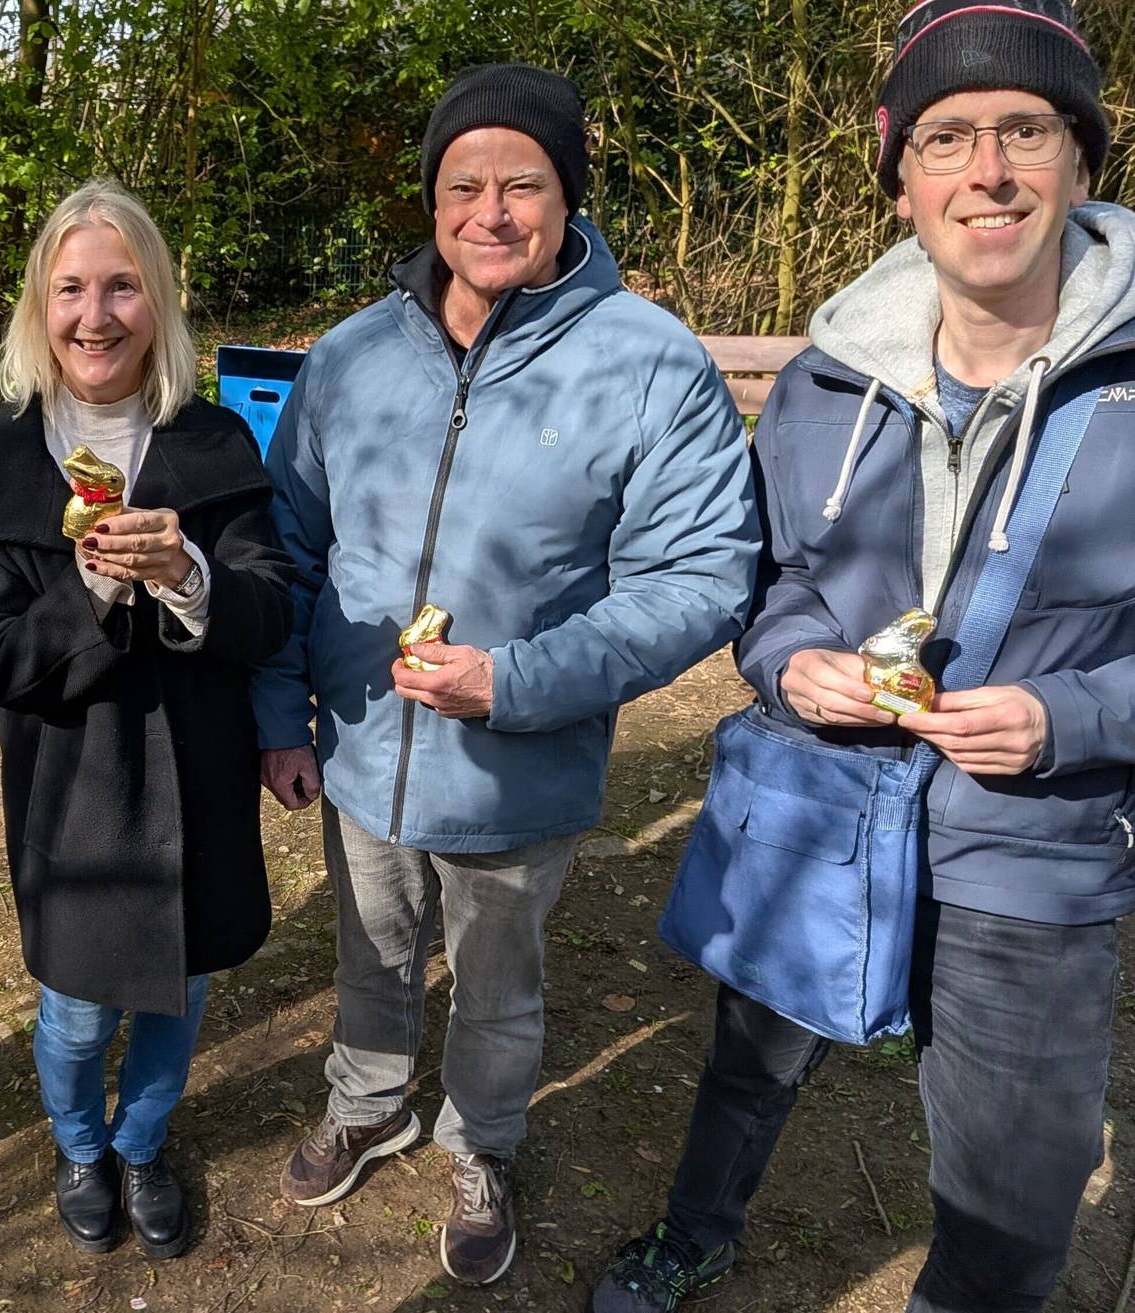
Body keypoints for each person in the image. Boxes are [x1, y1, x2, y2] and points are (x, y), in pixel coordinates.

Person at [592, 5, 1135, 1311]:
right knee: (747, 1063)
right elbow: (767, 583)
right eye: (946, 136)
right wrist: (791, 667)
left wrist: (1065, 719)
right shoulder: (829, 378)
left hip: (1034, 842)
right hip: (823, 809)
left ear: (1081, 163)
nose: (986, 169)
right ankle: (698, 1230)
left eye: (1025, 130)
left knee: (1010, 1193)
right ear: (901, 182)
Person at [251, 64, 760, 1286]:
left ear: (566, 197)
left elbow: (700, 575)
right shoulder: (355, 356)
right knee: (370, 951)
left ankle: (482, 1140)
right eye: (461, 183)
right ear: (431, 199)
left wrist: (515, 680)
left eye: (520, 183)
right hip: (365, 742)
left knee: (496, 980)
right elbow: (285, 544)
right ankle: (369, 1099)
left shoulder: (647, 361)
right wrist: (283, 709)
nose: (489, 210)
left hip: (518, 765)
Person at [0, 179, 295, 1259]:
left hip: (199, 775)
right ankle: (79, 1144)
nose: (97, 315)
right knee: (79, 1010)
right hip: (71, 786)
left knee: (179, 997)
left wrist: (188, 576)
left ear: (161, 302)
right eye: (73, 287)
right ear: (41, 308)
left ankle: (142, 1142)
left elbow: (271, 605)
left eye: (124, 286)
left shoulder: (218, 439)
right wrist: (87, 598)